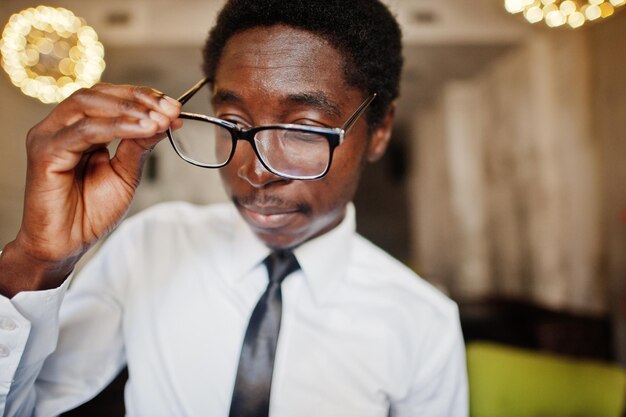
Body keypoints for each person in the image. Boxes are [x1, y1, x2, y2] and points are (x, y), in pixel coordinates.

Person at [0, 0, 468, 415]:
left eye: (305, 128)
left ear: (380, 131)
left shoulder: (424, 322)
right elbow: (25, 404)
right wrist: (37, 260)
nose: (256, 171)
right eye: (232, 122)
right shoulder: (151, 245)